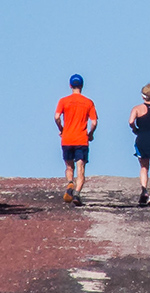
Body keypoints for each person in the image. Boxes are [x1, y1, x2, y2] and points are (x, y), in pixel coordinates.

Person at [55, 74, 98, 206]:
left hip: (67, 138)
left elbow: (56, 116)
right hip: (81, 139)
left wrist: (61, 128)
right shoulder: (88, 102)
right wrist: (90, 133)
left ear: (70, 85)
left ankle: (70, 183)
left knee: (69, 166)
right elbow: (94, 122)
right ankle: (77, 194)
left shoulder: (63, 101)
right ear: (82, 85)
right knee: (81, 167)